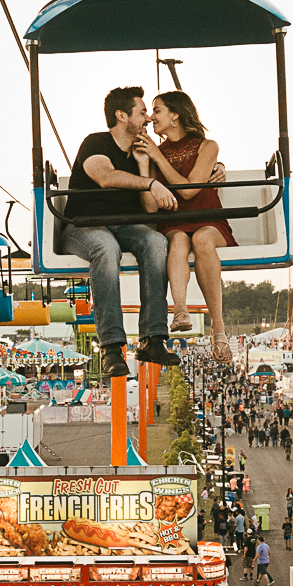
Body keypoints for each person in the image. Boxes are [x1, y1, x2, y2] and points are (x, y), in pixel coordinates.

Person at [57, 87, 184, 377]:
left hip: (123, 226)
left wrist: (143, 166)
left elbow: (151, 212)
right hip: (84, 225)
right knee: (105, 247)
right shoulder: (96, 143)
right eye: (142, 112)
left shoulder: (140, 154)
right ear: (121, 116)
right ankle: (111, 345)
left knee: (154, 241)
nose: (148, 119)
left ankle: (153, 337)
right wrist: (151, 184)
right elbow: (104, 176)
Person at [140, 91, 235, 363]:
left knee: (203, 239)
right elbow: (152, 200)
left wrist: (159, 158)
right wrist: (149, 161)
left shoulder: (207, 146)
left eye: (157, 110)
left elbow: (190, 191)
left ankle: (218, 325)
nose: (151, 117)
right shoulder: (154, 151)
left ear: (175, 114)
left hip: (207, 217)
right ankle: (180, 309)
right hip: (176, 220)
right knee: (179, 239)